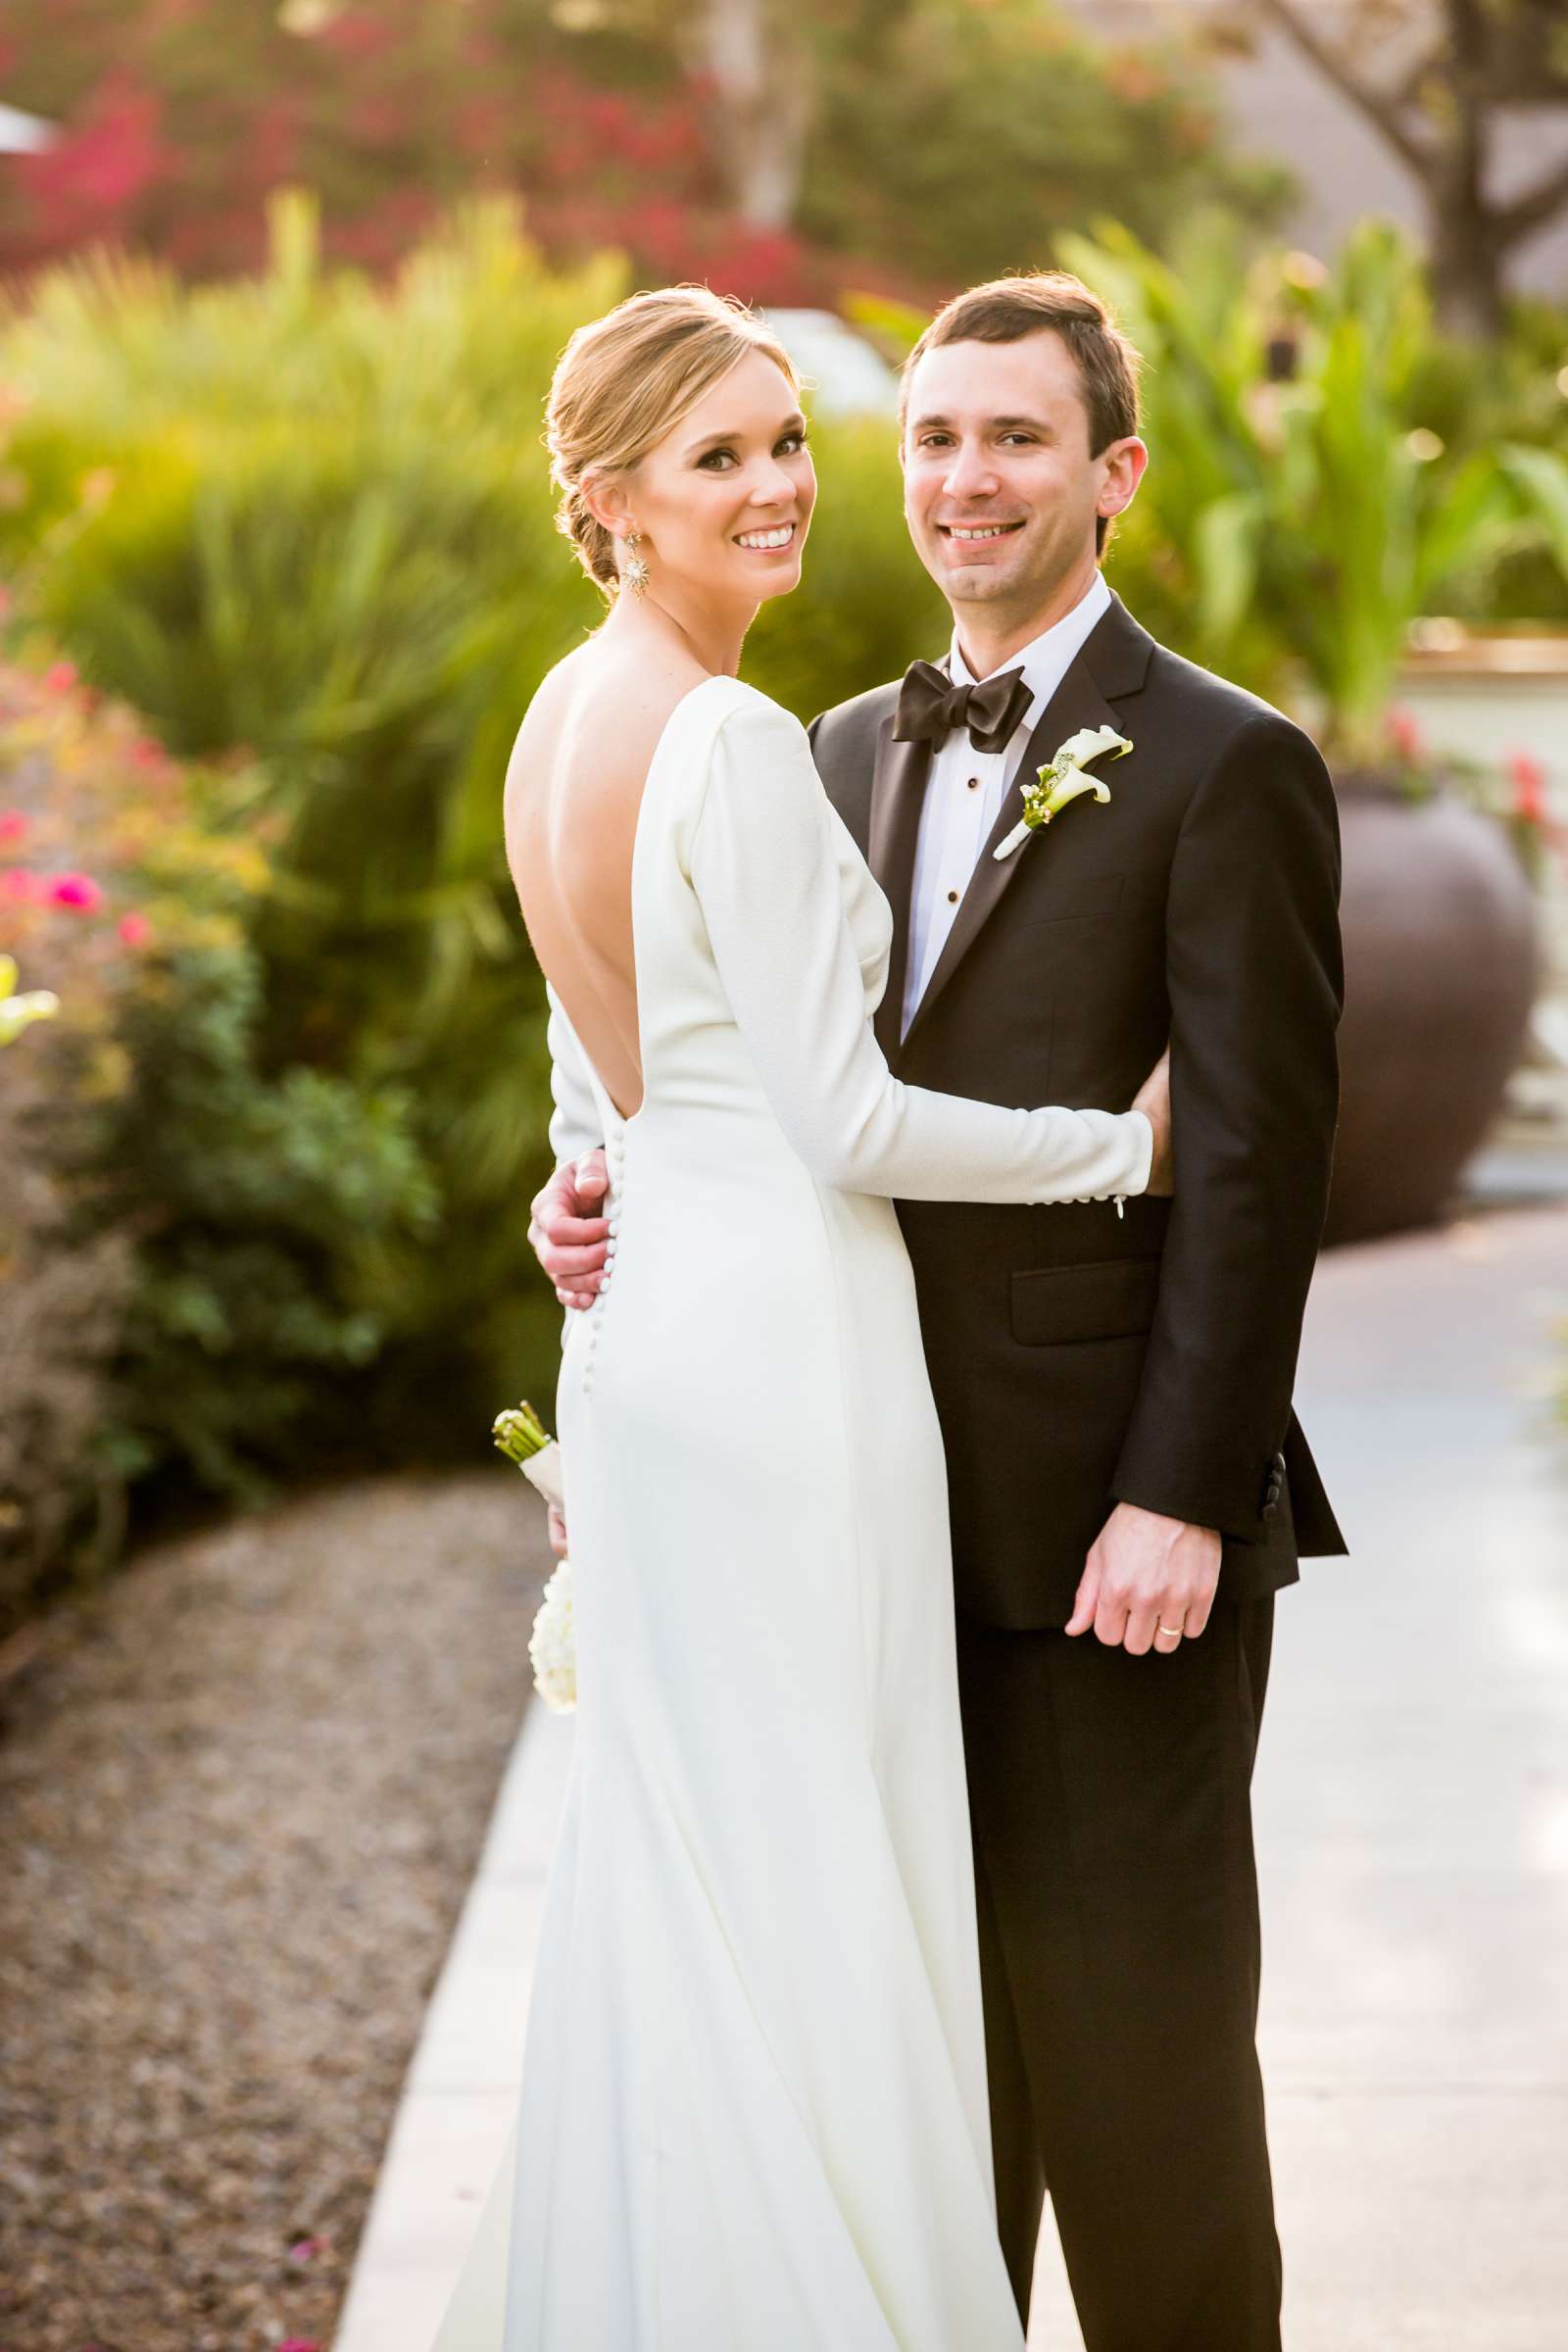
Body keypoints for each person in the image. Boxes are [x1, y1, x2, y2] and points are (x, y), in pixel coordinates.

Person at [531, 273, 1348, 2352]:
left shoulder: (1222, 766)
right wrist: (597, 1192)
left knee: (1142, 2081)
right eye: (932, 437)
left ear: (1111, 473)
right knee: (913, 2071)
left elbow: (1247, 1166)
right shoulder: (818, 744)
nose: (960, 478)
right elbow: (752, 1084)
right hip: (857, 1516)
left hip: (1104, 1539)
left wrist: (1179, 1491)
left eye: (1013, 437)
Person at [431, 284, 1171, 2352]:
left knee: (701, 1875)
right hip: (783, 1357)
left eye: (781, 441)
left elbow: (605, 1092)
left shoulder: (559, 718)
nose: (774, 488)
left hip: (664, 1333)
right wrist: (1117, 1149)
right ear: (610, 501)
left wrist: (577, 1238)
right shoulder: (733, 735)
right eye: (716, 458)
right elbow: (840, 1119)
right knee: (816, 1870)